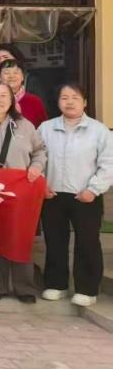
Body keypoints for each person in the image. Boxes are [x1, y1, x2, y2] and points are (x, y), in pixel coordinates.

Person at [38, 83, 113, 307]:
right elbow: (36, 158)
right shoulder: (45, 128)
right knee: (54, 241)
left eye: (75, 97)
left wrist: (94, 189)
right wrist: (41, 185)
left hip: (86, 195)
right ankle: (56, 284)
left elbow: (109, 164)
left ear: (85, 102)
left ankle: (87, 289)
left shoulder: (99, 130)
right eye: (64, 97)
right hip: (52, 195)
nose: (69, 102)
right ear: (58, 102)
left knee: (87, 242)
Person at [0, 81, 46, 303]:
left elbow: (40, 151)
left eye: (3, 96)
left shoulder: (24, 125)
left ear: (12, 100)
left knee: (20, 238)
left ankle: (25, 288)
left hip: (19, 191)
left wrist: (36, 167)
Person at [0, 59, 47, 127]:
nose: (11, 76)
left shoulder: (34, 101)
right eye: (7, 73)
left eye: (16, 72)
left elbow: (44, 128)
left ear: (22, 77)